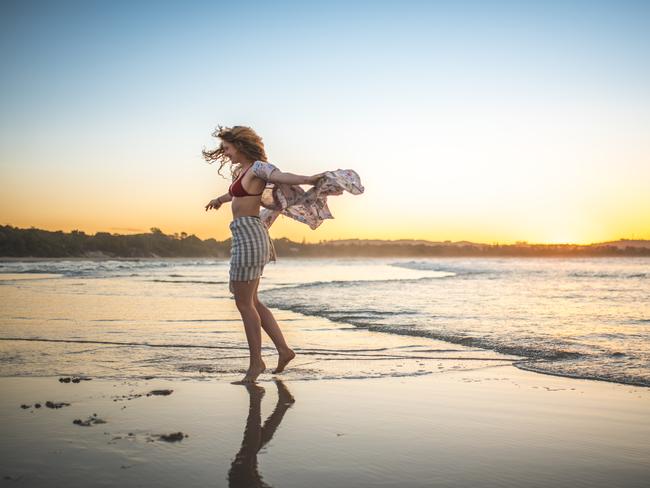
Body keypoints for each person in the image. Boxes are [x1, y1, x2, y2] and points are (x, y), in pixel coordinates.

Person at [203, 125, 324, 384]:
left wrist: (309, 179)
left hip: (250, 236)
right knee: (251, 301)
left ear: (240, 144)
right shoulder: (242, 172)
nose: (225, 153)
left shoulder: (258, 168)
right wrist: (219, 199)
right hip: (243, 234)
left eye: (227, 148)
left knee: (244, 303)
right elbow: (235, 193)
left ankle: (256, 364)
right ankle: (284, 350)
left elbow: (281, 176)